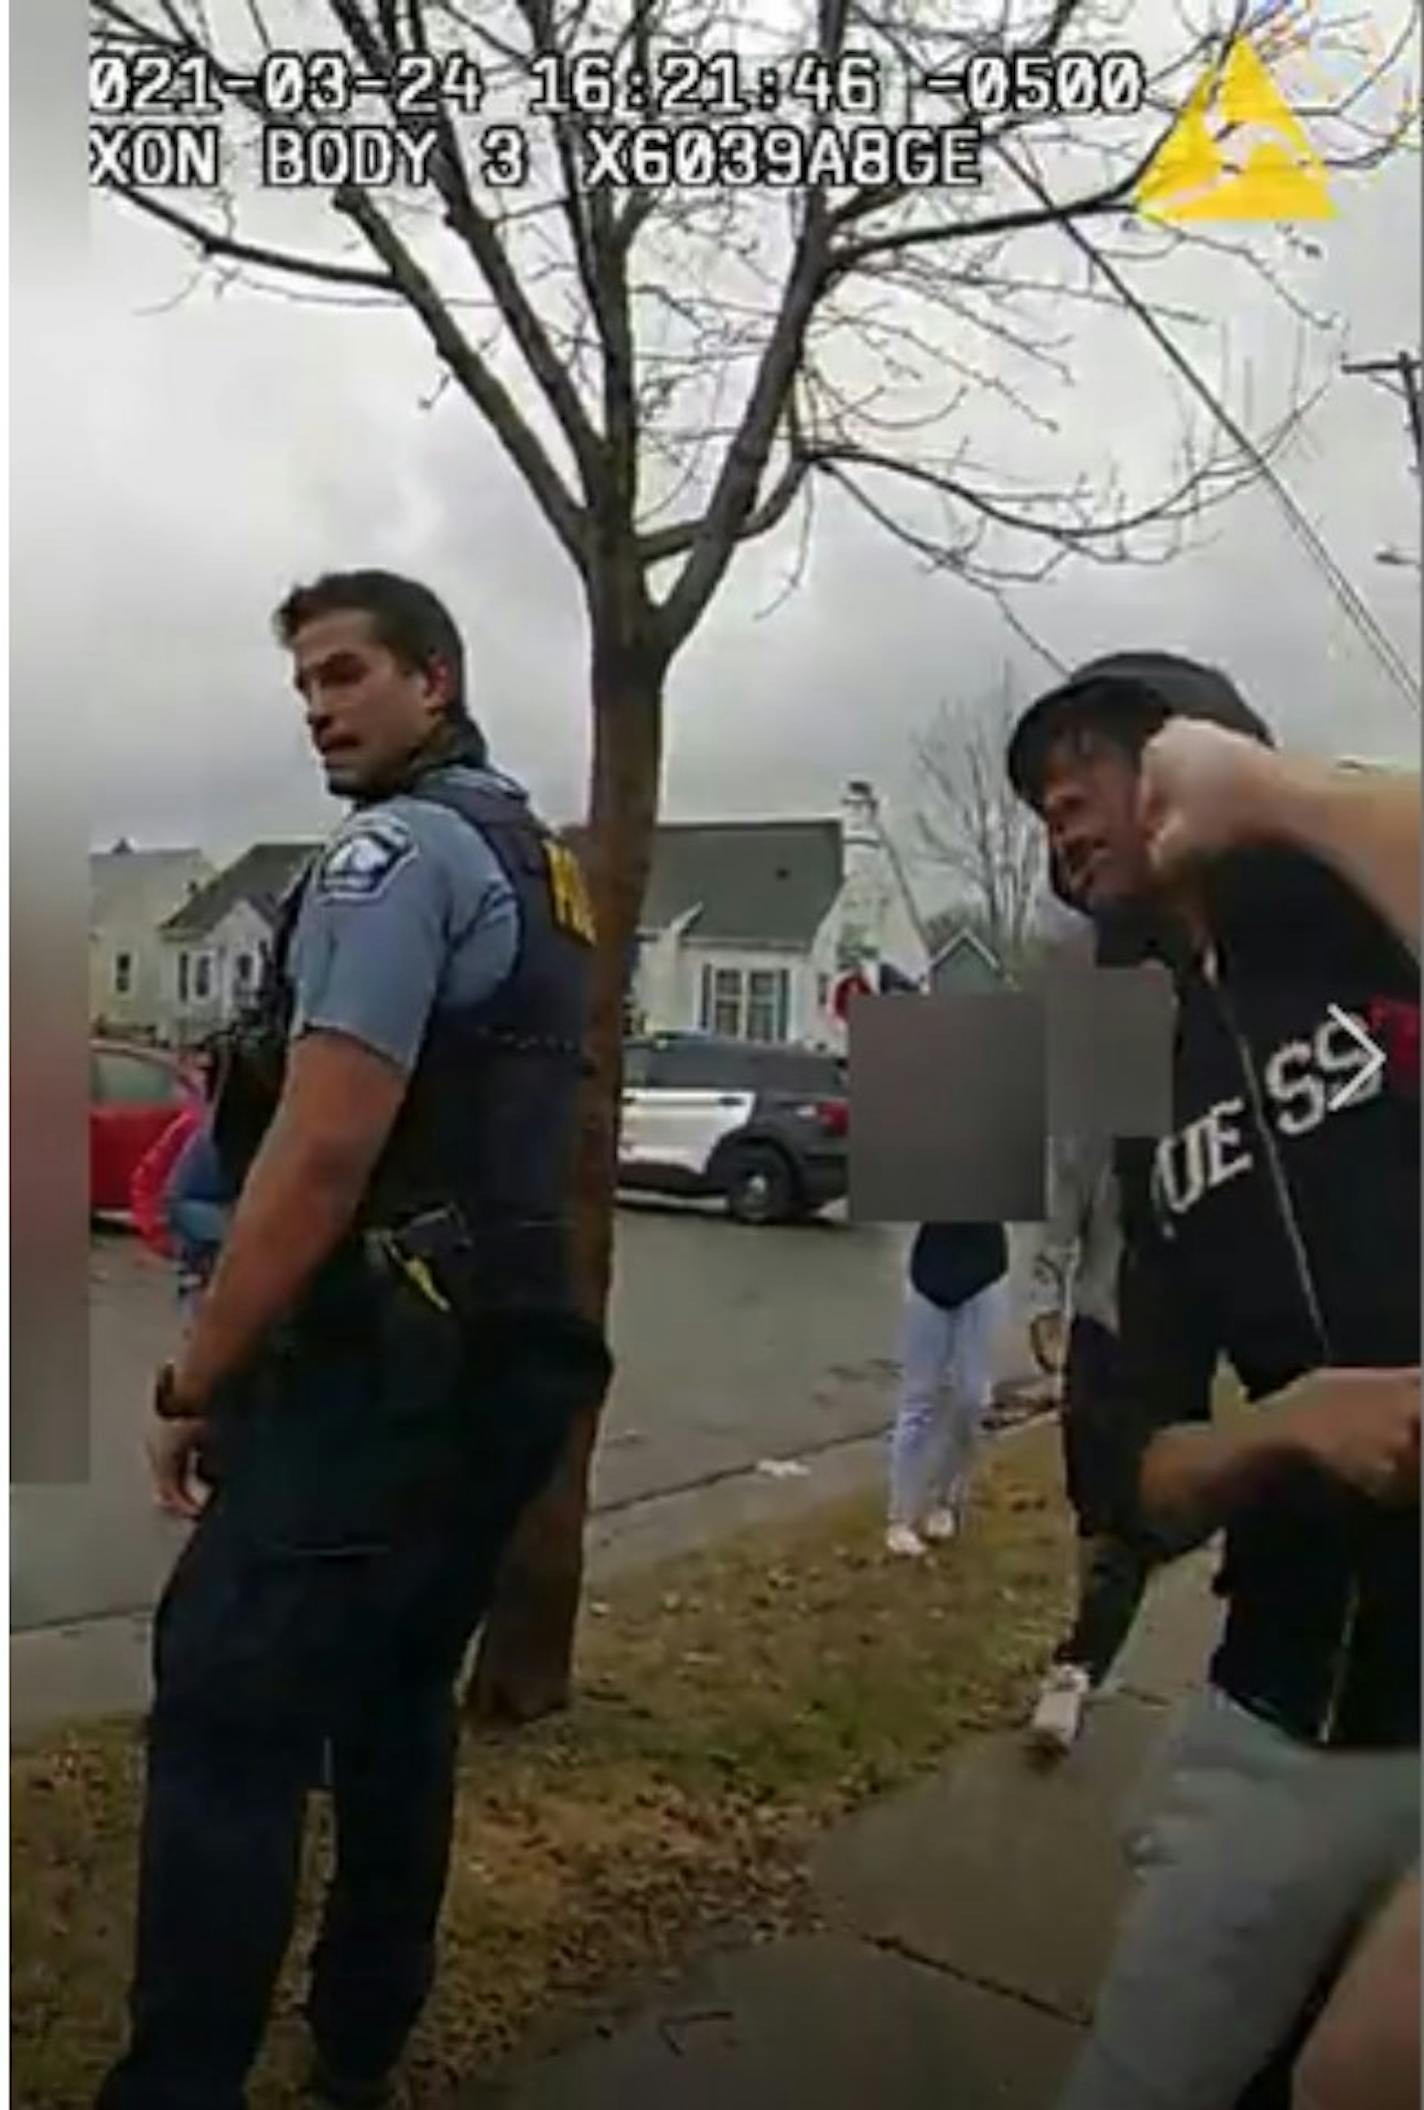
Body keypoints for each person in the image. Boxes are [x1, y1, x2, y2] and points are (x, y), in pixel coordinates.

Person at [98, 570, 612, 2110]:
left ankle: (178, 2081)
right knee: (394, 1705)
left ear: (433, 681)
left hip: (381, 1370)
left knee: (227, 1710)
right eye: (305, 686)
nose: (320, 709)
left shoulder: (396, 853)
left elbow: (322, 1149)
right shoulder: (544, 861)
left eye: (347, 676)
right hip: (505, 1358)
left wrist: (200, 1376)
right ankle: (361, 2045)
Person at [1003, 652, 1419, 2110]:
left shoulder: (1366, 909)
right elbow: (1126, 1470)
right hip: (1297, 1702)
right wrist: (1283, 1432)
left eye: (1096, 764)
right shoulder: (1127, 1063)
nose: (1060, 807)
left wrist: (1273, 795)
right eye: (1042, 800)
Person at [1024, 1129, 1158, 1754]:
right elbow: (1061, 1212)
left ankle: (1077, 1664)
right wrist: (1044, 1306)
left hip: (1171, 1345)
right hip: (1099, 1334)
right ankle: (1095, 1622)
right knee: (1092, 1504)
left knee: (1132, 1514)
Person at [886, 1219, 1008, 1556]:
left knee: (972, 1398)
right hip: (930, 1273)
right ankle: (901, 1517)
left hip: (984, 1273)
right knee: (920, 1398)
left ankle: (944, 1499)